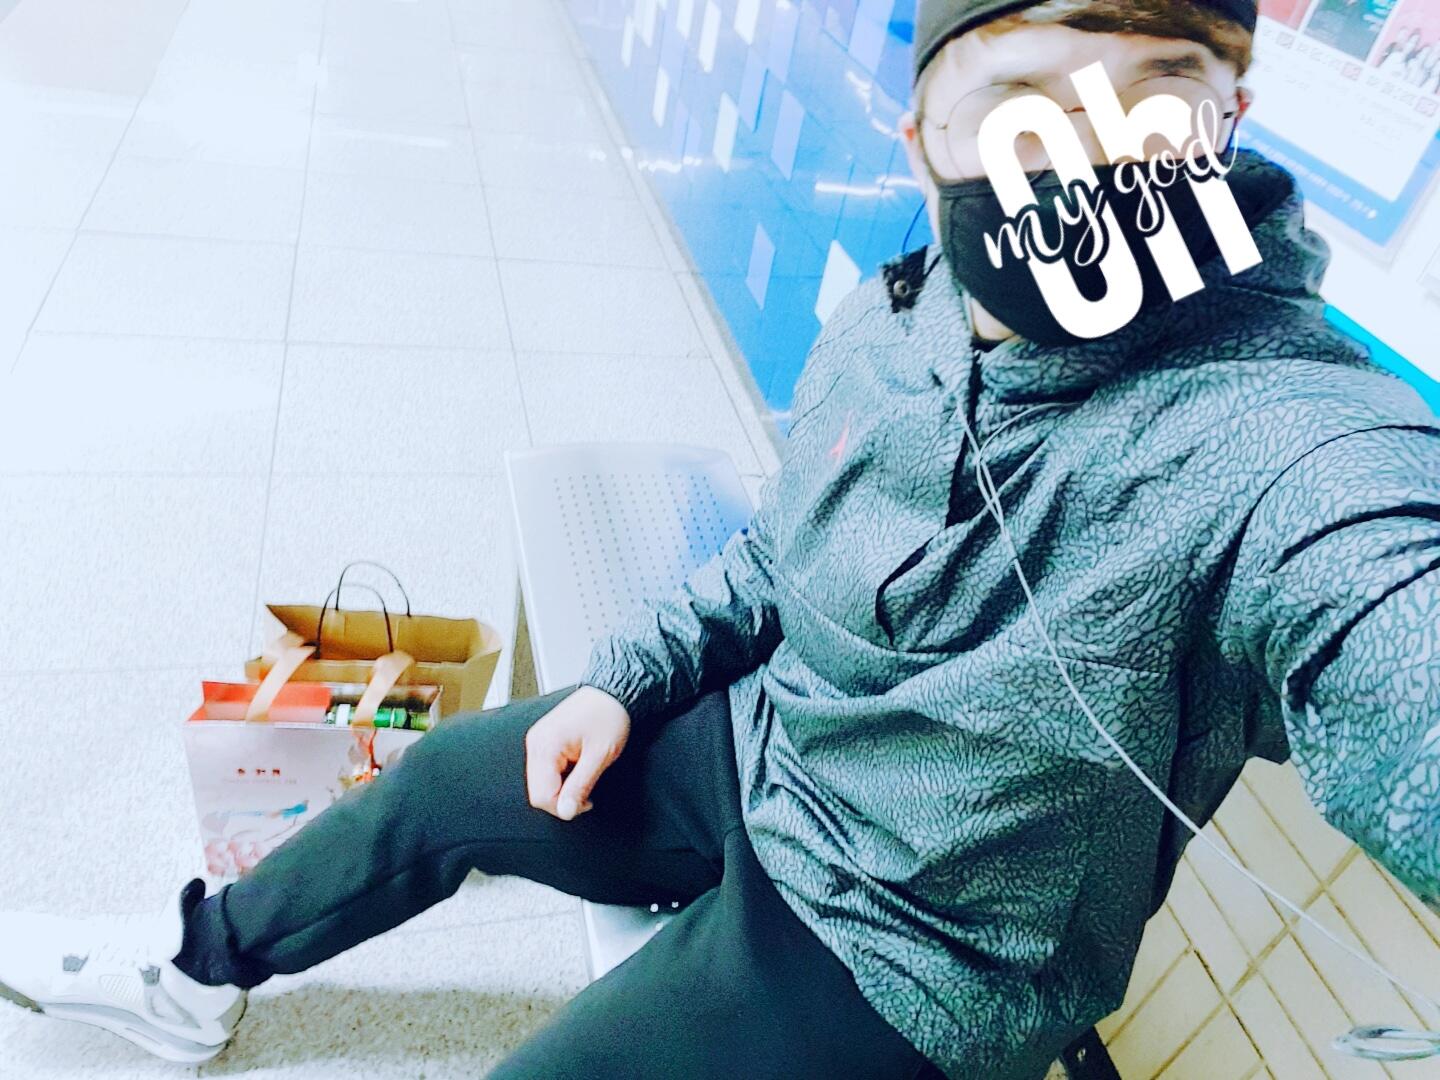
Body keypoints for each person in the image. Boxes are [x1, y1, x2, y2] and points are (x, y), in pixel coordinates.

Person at [6, 1, 1440, 1077]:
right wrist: (625, 682)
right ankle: (195, 976)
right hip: (765, 751)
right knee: (440, 780)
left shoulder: (1277, 427)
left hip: (914, 948)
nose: (1090, 157)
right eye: (1024, 101)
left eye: (1157, 94)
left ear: (1230, 117)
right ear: (925, 139)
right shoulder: (900, 312)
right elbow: (776, 555)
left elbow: (1382, 600)